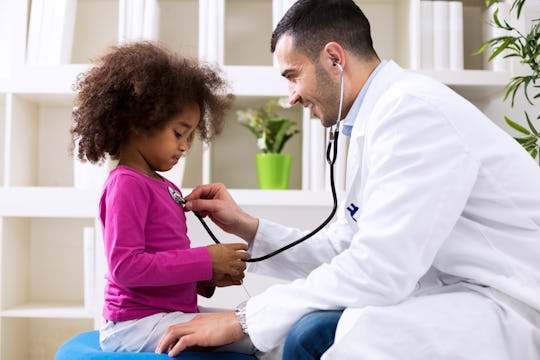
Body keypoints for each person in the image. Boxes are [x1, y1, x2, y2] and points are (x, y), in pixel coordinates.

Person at [156, 1, 540, 359]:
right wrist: (249, 228)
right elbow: (349, 247)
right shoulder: (377, 117)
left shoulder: (413, 112)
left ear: (334, 59)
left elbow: (380, 268)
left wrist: (243, 318)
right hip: (457, 294)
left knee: (333, 333)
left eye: (293, 76)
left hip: (510, 302)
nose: (290, 97)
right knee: (313, 329)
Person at [70, 41, 254, 353]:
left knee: (257, 325)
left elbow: (162, 263)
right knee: (255, 338)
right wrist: (204, 259)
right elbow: (126, 267)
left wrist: (206, 277)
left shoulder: (162, 185)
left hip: (162, 315)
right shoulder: (126, 184)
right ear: (140, 123)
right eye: (178, 133)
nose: (185, 146)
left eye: (190, 136)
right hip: (133, 326)